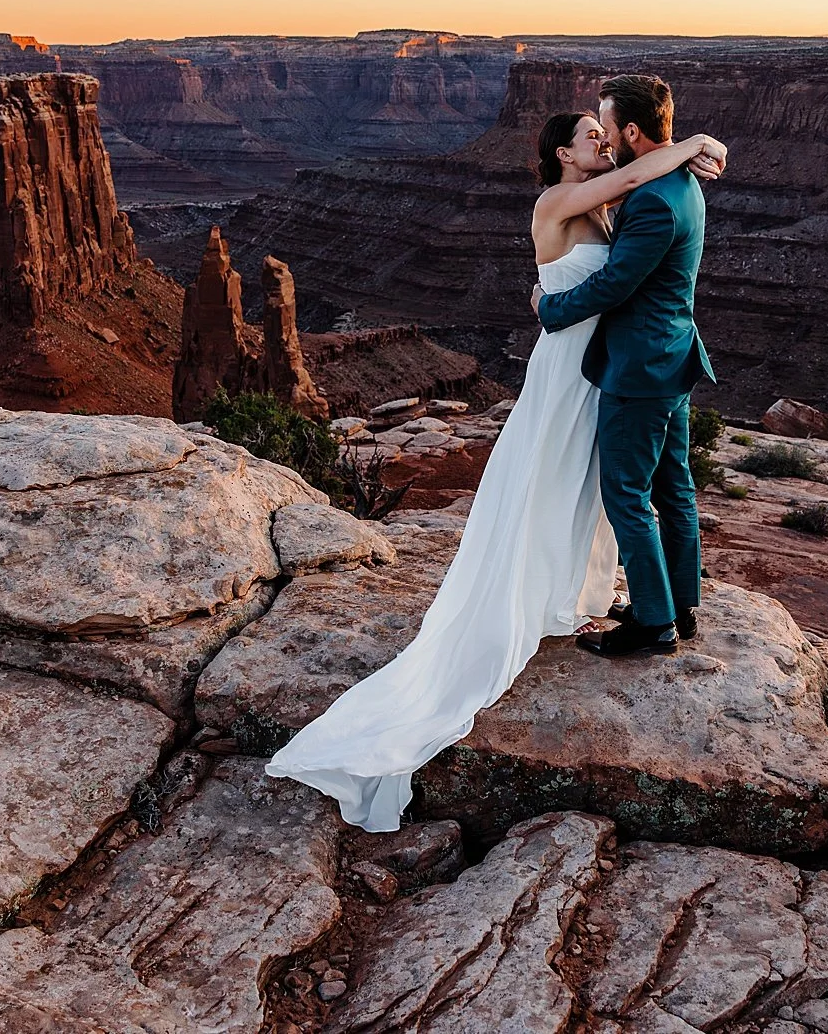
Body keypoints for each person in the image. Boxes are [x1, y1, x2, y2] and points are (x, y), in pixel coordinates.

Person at [264, 106, 725, 831]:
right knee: (557, 486)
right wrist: (694, 143)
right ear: (563, 157)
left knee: (591, 493)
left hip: (601, 369)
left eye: (606, 134)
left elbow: (638, 200)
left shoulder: (609, 202)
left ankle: (571, 594)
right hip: (571, 369)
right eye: (589, 140)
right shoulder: (558, 201)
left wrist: (687, 153)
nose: (602, 145)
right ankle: (537, 602)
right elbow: (640, 172)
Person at [534, 74, 714, 658]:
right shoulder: (680, 184)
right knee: (674, 487)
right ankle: (680, 606)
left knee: (629, 495)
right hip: (670, 357)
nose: (606, 141)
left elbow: (614, 284)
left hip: (639, 369)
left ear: (630, 129)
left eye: (607, 127)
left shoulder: (652, 199)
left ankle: (654, 625)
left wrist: (549, 307)